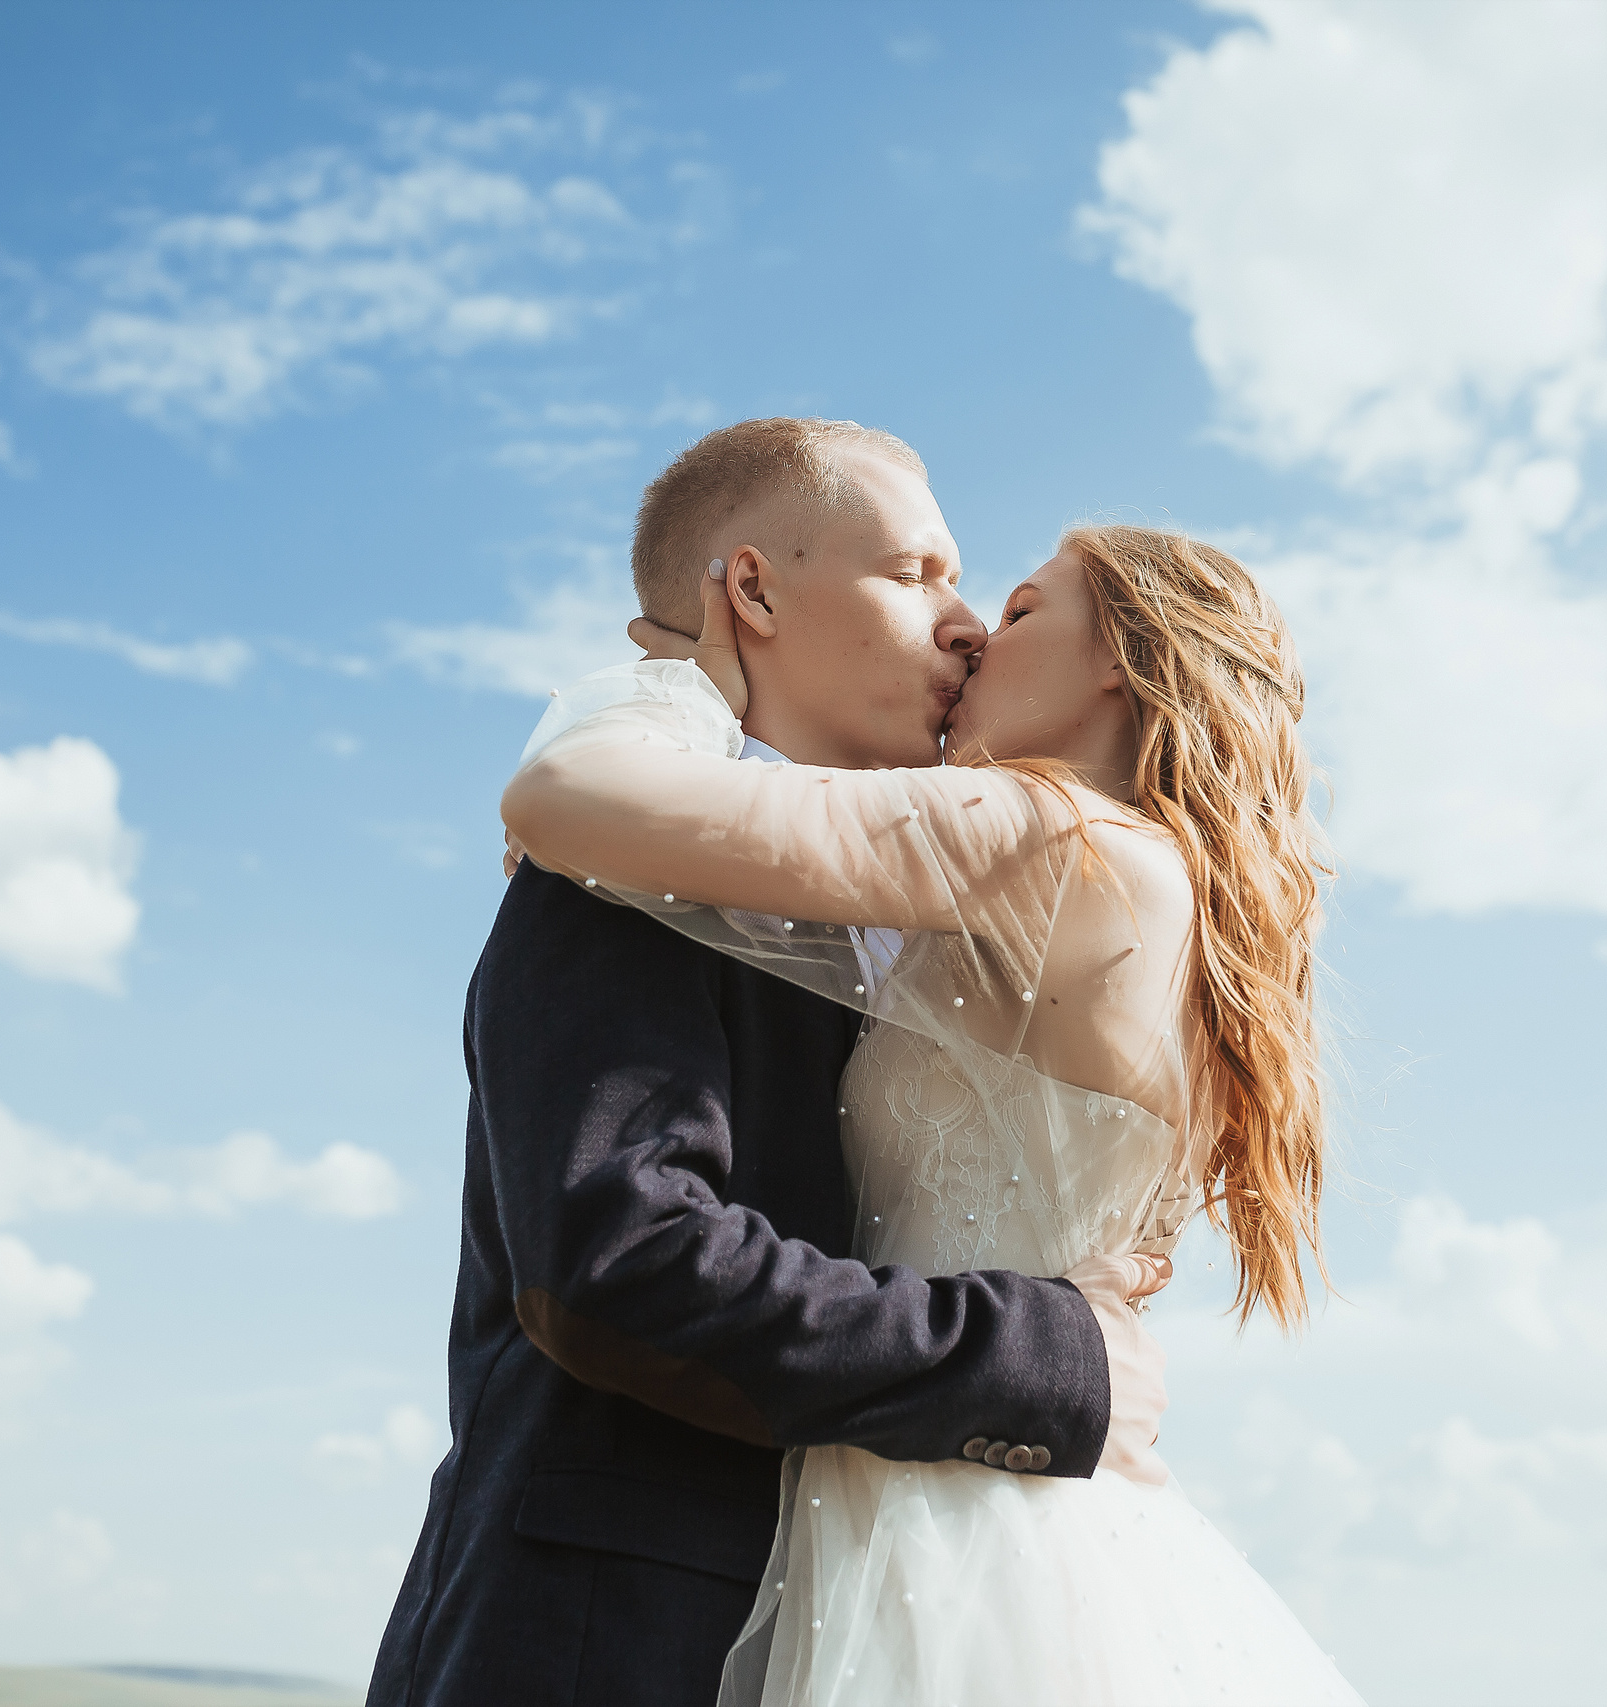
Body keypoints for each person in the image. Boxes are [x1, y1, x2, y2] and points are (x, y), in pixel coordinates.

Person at [366, 420, 1176, 1707]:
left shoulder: (951, 928)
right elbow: (619, 1264)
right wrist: (1045, 1356)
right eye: (916, 574)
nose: (964, 623)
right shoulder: (623, 868)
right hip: (612, 1636)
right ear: (751, 591)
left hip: (898, 1613)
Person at [502, 512, 1363, 1703]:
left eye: (1016, 613)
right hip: (1021, 1495)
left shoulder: (1050, 835)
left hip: (936, 1513)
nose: (968, 637)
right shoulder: (1162, 889)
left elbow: (561, 795)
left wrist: (684, 688)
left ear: (1119, 656)